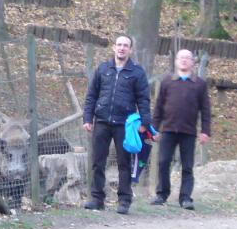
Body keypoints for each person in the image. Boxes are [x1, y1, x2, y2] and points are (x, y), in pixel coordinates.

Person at [82, 35, 151, 214]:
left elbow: (143, 99)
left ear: (130, 50)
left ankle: (124, 201)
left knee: (124, 163)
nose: (122, 48)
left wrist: (145, 122)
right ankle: (97, 199)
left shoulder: (137, 72)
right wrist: (87, 118)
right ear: (114, 47)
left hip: (124, 124)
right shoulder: (103, 69)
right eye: (119, 45)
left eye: (125, 45)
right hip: (102, 121)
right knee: (98, 162)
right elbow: (91, 95)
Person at [151, 49, 211, 210]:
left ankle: (185, 198)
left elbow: (205, 110)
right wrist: (154, 129)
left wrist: (205, 131)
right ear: (176, 61)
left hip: (188, 132)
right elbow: (158, 107)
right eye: (181, 58)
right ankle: (161, 194)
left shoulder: (199, 84)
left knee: (187, 166)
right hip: (168, 130)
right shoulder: (167, 81)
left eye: (187, 58)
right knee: (163, 162)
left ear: (192, 62)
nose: (184, 60)